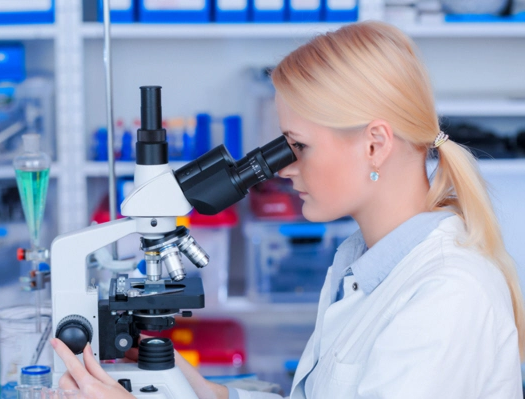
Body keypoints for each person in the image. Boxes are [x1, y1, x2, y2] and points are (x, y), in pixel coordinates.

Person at [52, 20, 525, 398]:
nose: (283, 168)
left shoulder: (447, 298)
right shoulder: (362, 259)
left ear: (375, 145)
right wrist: (210, 393)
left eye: (297, 146)